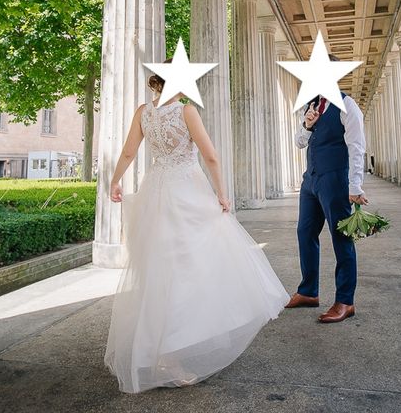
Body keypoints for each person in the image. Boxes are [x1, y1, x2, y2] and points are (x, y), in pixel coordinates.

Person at [104, 70, 289, 394]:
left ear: (155, 83)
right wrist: (221, 194)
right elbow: (210, 155)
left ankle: (163, 348)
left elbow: (130, 152)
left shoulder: (142, 113)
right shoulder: (186, 110)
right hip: (186, 193)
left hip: (155, 192)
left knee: (159, 271)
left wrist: (115, 180)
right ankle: (173, 349)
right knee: (192, 267)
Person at [285, 63, 367, 324]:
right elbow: (299, 142)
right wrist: (307, 125)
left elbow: (357, 147)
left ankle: (345, 300)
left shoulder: (347, 105)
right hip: (310, 179)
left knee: (341, 237)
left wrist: (355, 186)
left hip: (335, 179)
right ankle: (309, 291)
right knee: (305, 232)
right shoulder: (312, 105)